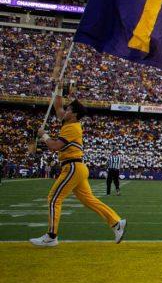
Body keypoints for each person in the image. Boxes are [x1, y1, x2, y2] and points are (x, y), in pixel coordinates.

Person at [30, 91, 126, 247]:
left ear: (74, 114)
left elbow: (54, 146)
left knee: (54, 199)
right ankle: (116, 223)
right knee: (89, 200)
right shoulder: (69, 122)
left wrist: (44, 135)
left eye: (68, 110)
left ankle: (51, 236)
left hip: (72, 166)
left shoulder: (72, 127)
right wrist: (59, 89)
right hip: (77, 167)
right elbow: (58, 106)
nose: (64, 112)